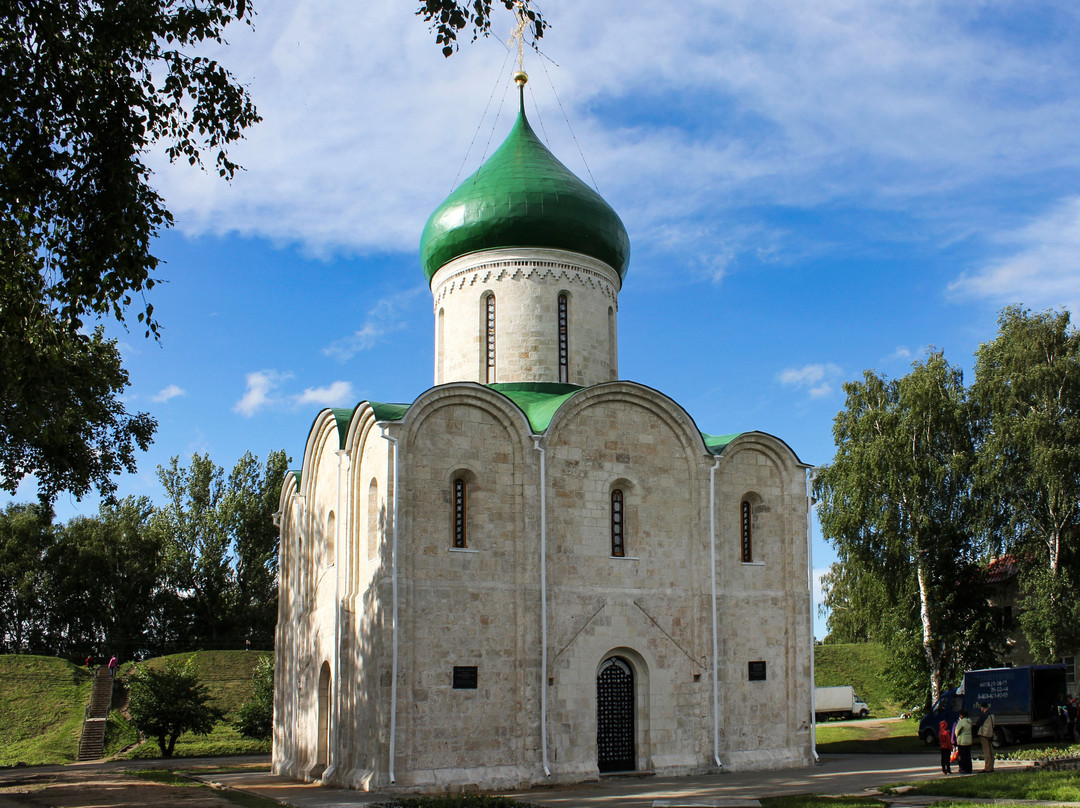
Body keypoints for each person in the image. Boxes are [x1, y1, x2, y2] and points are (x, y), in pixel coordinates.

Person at [976, 702, 996, 772]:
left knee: (986, 751)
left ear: (983, 708)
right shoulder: (992, 715)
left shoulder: (984, 715)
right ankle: (991, 766)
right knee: (991, 751)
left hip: (984, 734)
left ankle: (987, 767)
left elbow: (978, 723)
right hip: (990, 733)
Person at [954, 709, 974, 774]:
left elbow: (956, 732)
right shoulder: (969, 721)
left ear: (961, 715)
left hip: (962, 741)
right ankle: (969, 769)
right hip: (969, 740)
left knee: (963, 756)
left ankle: (964, 769)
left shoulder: (961, 722)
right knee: (968, 755)